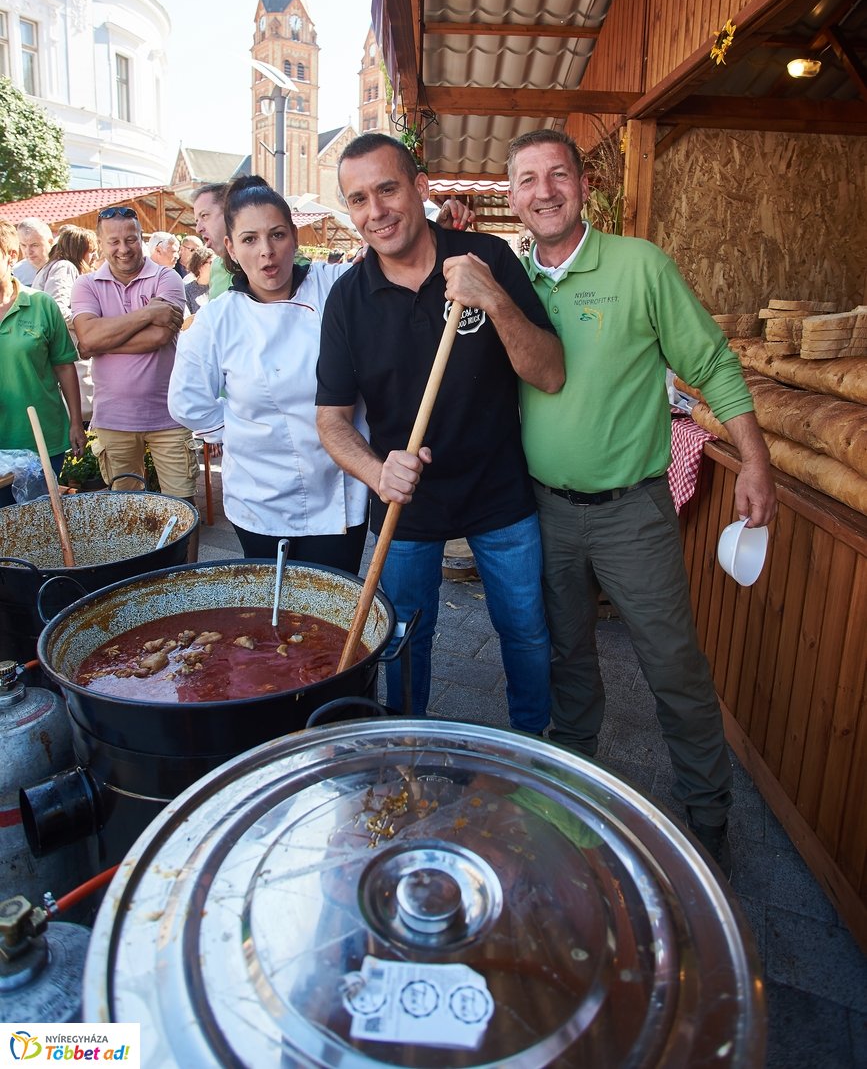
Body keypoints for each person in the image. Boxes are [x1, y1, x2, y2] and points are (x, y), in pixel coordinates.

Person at [506, 127, 777, 874]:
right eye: (527, 180)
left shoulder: (638, 266)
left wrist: (756, 461)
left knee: (671, 664)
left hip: (632, 511)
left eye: (556, 175)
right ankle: (570, 788)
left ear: (582, 185)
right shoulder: (511, 285)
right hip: (544, 512)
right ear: (511, 198)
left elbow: (711, 363)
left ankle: (707, 811)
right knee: (565, 658)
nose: (544, 192)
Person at [315, 133, 564, 732]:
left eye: (387, 189)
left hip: (499, 493)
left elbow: (550, 373)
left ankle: (534, 753)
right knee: (402, 638)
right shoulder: (348, 298)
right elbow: (331, 420)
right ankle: (406, 750)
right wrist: (378, 471)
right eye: (357, 199)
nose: (375, 212)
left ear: (420, 190)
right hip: (407, 502)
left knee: (526, 633)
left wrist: (495, 302)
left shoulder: (485, 261)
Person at [169, 176, 370, 570]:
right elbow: (186, 401)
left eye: (277, 235)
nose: (266, 253)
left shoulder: (335, 286)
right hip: (259, 493)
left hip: (337, 489)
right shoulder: (217, 320)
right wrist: (243, 431)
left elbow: (392, 269)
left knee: (331, 605)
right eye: (249, 239)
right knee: (270, 610)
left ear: (294, 236)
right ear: (229, 246)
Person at [70, 206, 199, 546]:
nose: (123, 248)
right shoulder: (86, 284)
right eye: (114, 241)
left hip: (170, 414)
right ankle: (131, 577)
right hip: (114, 416)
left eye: (131, 239)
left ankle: (187, 578)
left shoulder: (165, 277)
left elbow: (160, 337)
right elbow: (88, 339)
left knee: (182, 507)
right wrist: (148, 312)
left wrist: (102, 340)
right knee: (124, 511)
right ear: (101, 243)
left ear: (141, 237)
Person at [0, 218, 84, 508]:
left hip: (41, 437)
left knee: (38, 520)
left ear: (10, 255)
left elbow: (63, 365)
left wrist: (76, 422)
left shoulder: (41, 304)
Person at [32, 225, 99, 424]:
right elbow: (57, 308)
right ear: (79, 250)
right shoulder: (65, 267)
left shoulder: (52, 266)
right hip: (66, 347)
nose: (94, 256)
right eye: (90, 251)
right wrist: (88, 322)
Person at [192, 184, 233, 298]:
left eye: (204, 216)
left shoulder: (255, 262)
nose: (198, 228)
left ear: (229, 213)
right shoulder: (215, 266)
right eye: (196, 221)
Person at [13, 217, 53, 286]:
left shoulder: (65, 268)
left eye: (34, 245)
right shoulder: (15, 274)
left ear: (50, 242)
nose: (28, 251)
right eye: (23, 245)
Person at [182, 247, 215, 315]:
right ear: (200, 265)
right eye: (211, 263)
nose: (215, 266)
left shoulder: (219, 287)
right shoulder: (187, 291)